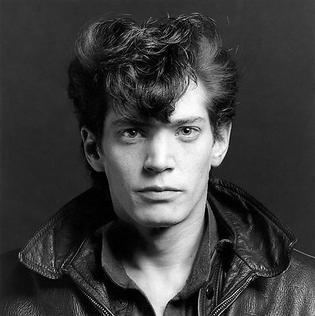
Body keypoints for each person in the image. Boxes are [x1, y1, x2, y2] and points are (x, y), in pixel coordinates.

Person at [1, 13, 315, 316]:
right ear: (94, 148)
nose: (159, 161)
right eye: (133, 132)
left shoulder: (306, 295)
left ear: (219, 141)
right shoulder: (8, 294)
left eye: (186, 131)